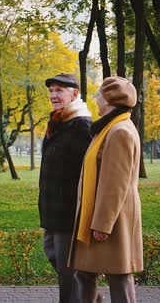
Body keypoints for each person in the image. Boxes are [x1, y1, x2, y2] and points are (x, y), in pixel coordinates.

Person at [69, 76, 143, 303]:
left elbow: (115, 183)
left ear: (110, 100)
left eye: (99, 95)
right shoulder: (110, 127)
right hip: (102, 215)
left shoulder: (119, 131)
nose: (95, 98)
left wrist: (102, 224)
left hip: (112, 219)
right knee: (85, 272)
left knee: (119, 277)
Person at [39, 73, 92, 302]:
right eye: (51, 91)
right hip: (52, 209)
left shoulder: (81, 125)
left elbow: (89, 171)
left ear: (75, 94)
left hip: (69, 210)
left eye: (59, 90)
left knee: (67, 270)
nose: (53, 95)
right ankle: (86, 297)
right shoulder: (58, 121)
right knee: (53, 253)